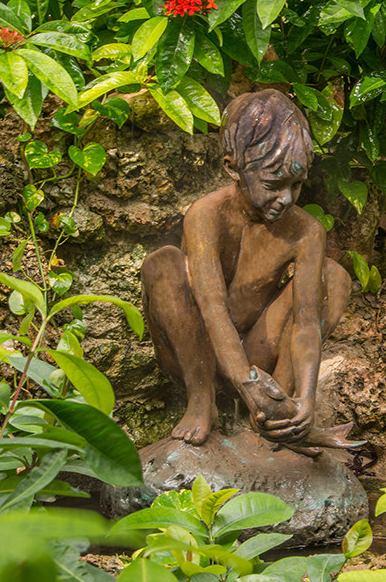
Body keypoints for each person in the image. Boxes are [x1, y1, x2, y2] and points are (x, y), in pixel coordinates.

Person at [140, 89, 353, 454]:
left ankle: (279, 415)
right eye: (273, 185)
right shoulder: (206, 215)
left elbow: (305, 322)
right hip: (199, 351)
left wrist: (306, 397)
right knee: (162, 263)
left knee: (334, 277)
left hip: (257, 353)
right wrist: (246, 384)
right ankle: (202, 401)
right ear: (232, 168)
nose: (286, 198)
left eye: (296, 185)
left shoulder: (306, 231)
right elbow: (212, 307)